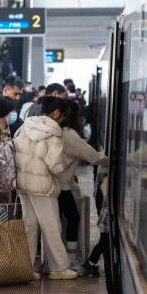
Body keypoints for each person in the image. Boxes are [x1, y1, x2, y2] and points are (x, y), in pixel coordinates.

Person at [14, 96, 77, 280]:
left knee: (29, 226)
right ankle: (59, 268)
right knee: (51, 226)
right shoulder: (53, 132)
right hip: (42, 186)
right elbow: (55, 165)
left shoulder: (25, 126)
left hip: (23, 184)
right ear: (56, 113)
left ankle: (25, 269)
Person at [57, 100, 106, 255]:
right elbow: (93, 157)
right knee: (73, 218)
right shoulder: (69, 134)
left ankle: (56, 259)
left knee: (59, 222)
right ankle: (69, 259)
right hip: (61, 186)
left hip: (56, 183)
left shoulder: (59, 131)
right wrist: (115, 159)